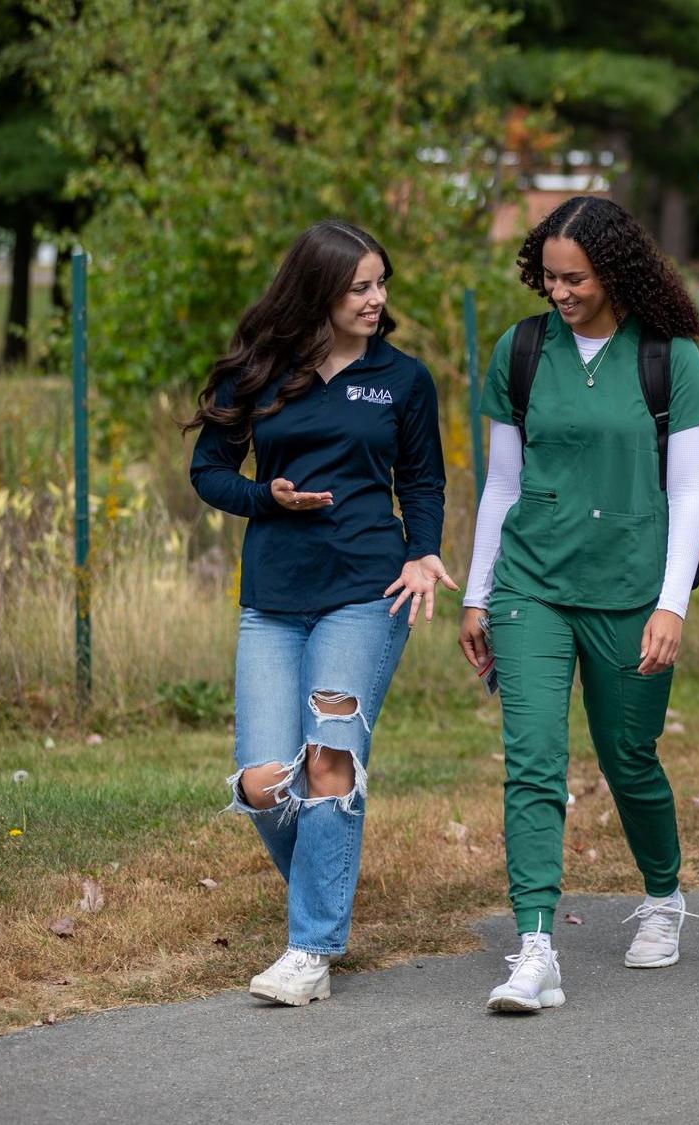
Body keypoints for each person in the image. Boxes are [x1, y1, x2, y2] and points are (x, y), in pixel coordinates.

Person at [459, 195, 699, 1013]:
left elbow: (690, 493)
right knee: (534, 761)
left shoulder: (667, 358)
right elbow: (502, 481)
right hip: (532, 585)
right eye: (548, 277)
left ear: (616, 271)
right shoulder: (525, 349)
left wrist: (671, 604)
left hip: (631, 592)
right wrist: (478, 592)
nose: (559, 292)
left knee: (627, 757)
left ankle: (665, 893)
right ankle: (535, 947)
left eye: (574, 278)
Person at [187, 219, 451, 1006]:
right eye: (360, 286)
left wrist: (424, 551)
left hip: (368, 594)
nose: (378, 299)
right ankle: (325, 890)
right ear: (318, 292)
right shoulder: (259, 373)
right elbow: (208, 471)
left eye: (381, 284)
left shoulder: (403, 380)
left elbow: (424, 480)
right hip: (273, 598)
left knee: (330, 759)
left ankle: (310, 948)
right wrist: (263, 495)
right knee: (265, 780)